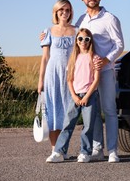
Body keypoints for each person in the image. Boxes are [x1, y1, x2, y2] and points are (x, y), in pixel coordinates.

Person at [76, 0, 124, 163]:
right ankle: (97, 149)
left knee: (109, 109)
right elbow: (73, 39)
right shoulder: (81, 20)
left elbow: (119, 44)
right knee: (92, 112)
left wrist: (106, 59)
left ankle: (113, 150)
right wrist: (47, 35)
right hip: (86, 74)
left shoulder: (110, 18)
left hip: (105, 71)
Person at [46, 28, 100, 163]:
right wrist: (74, 96)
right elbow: (69, 79)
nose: (83, 42)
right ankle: (58, 152)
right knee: (68, 124)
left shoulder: (94, 57)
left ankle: (84, 152)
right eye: (80, 38)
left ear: (90, 41)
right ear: (76, 41)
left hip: (90, 96)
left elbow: (96, 80)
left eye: (86, 39)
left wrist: (87, 96)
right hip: (75, 96)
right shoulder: (73, 57)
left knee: (88, 126)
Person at [38, 0, 76, 155]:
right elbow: (45, 57)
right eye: (61, 10)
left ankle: (63, 148)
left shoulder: (77, 30)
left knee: (67, 112)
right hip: (52, 75)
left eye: (67, 10)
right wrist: (40, 80)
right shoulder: (48, 31)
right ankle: (55, 149)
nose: (64, 13)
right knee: (53, 111)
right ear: (56, 12)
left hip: (70, 76)